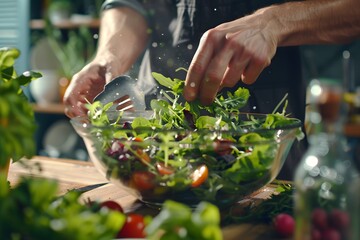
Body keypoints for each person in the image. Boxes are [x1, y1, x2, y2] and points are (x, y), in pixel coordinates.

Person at [63, 0, 360, 180]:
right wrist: (108, 57)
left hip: (265, 155)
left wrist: (273, 23)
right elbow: (132, 4)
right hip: (154, 148)